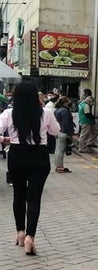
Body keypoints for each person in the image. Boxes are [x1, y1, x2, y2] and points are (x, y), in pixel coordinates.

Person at [0, 82, 61, 255]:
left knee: (18, 195)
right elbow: (55, 131)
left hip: (17, 155)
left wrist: (4, 139)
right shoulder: (46, 112)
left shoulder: (8, 113)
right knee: (34, 198)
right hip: (39, 156)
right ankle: (30, 237)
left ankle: (20, 232)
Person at [53, 96, 76, 173]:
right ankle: (60, 167)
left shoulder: (57, 110)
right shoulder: (64, 111)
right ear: (65, 102)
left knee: (58, 149)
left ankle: (58, 165)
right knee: (61, 149)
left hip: (58, 130)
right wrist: (69, 133)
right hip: (63, 131)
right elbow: (66, 123)